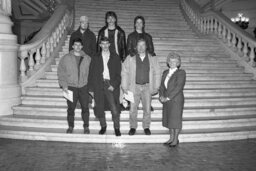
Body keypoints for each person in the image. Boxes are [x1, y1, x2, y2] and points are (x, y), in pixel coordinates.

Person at [121, 38, 161, 136]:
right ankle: (133, 126)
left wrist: (156, 86)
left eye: (143, 45)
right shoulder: (130, 58)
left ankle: (146, 126)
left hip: (147, 87)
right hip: (134, 87)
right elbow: (125, 72)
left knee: (147, 109)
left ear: (146, 46)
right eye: (139, 45)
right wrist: (124, 86)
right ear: (136, 47)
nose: (141, 47)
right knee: (132, 109)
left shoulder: (152, 58)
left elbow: (157, 72)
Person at [88, 37, 121, 136]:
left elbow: (119, 74)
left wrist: (114, 85)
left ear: (109, 44)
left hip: (110, 84)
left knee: (114, 109)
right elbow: (91, 73)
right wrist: (90, 89)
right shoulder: (95, 57)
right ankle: (103, 126)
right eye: (103, 44)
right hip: (98, 83)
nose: (105, 45)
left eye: (107, 43)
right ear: (100, 45)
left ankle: (117, 128)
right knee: (100, 107)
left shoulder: (115, 57)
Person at [57, 38, 91, 134]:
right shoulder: (66, 58)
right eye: (75, 45)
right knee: (71, 108)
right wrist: (64, 85)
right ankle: (70, 126)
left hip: (84, 86)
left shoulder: (87, 58)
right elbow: (61, 72)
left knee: (85, 107)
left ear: (82, 46)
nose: (78, 47)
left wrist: (90, 86)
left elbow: (91, 73)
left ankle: (86, 126)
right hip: (71, 86)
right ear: (72, 46)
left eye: (79, 45)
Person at [159, 52, 186, 147]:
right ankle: (171, 138)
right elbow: (162, 86)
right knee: (169, 119)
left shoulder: (181, 72)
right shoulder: (165, 72)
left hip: (175, 100)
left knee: (175, 120)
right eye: (170, 61)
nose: (172, 63)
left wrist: (168, 98)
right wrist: (161, 96)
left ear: (178, 63)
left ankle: (175, 139)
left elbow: (179, 87)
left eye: (175, 61)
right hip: (166, 100)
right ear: (168, 62)